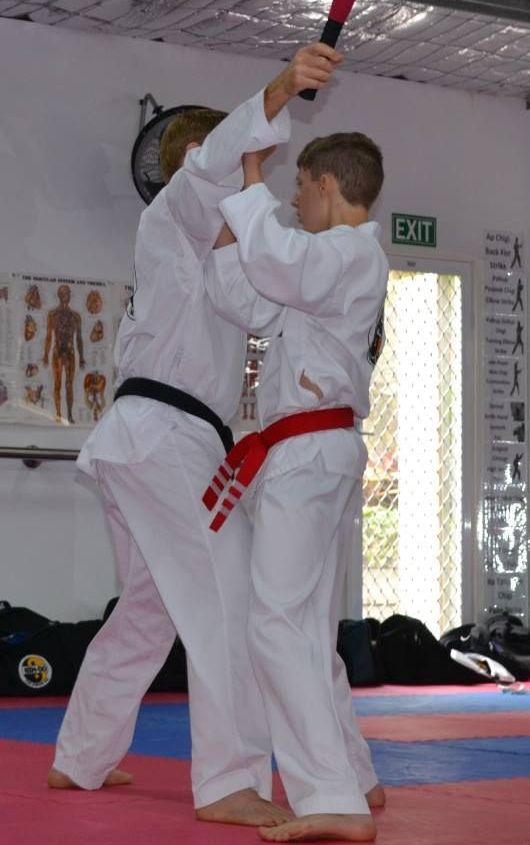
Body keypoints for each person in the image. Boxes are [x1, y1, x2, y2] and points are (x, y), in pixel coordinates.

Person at [47, 44, 340, 826]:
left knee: (147, 609)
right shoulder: (177, 206)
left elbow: (254, 308)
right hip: (164, 435)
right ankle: (229, 781)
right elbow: (209, 168)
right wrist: (278, 91)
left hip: (149, 439)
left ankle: (81, 756)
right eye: (243, 163)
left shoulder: (213, 250)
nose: (251, 178)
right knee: (230, 599)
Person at [204, 122, 389, 842]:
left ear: (328, 184)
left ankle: (331, 797)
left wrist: (250, 183)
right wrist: (230, 212)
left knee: (275, 624)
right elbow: (249, 303)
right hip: (316, 451)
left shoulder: (345, 252)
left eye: (299, 186)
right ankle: (354, 773)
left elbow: (279, 263)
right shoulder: (326, 265)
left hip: (311, 453)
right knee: (305, 629)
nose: (294, 197)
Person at [42, 283, 85, 424]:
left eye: (68, 293)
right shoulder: (53, 315)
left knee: (69, 385)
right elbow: (49, 336)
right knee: (57, 384)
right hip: (57, 353)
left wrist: (82, 357)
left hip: (71, 353)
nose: (67, 295)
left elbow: (79, 338)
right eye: (64, 293)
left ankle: (70, 415)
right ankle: (59, 414)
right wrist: (45, 355)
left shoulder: (76, 316)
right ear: (60, 295)